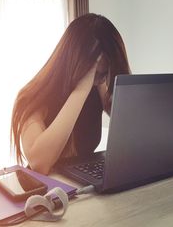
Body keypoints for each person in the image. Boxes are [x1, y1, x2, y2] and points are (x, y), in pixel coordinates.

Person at [11, 13, 131, 175]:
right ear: (74, 60)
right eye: (97, 73)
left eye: (104, 74)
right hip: (46, 193)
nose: (101, 79)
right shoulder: (31, 98)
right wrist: (81, 88)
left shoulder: (99, 85)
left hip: (83, 188)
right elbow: (40, 163)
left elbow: (130, 122)